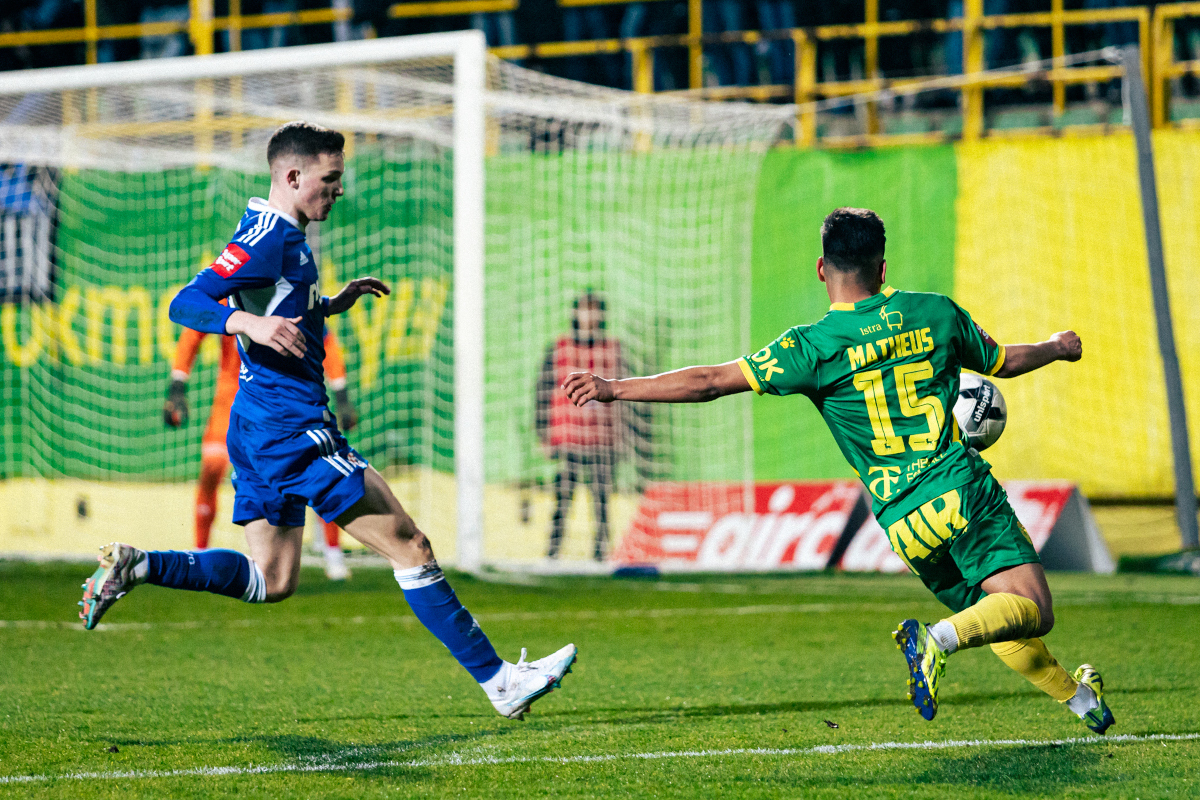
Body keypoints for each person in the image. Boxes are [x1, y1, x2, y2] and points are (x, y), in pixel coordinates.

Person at [79, 121, 576, 720]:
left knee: (272, 578)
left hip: (259, 427)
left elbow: (271, 296)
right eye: (329, 179)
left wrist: (326, 304)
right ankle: (501, 682)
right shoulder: (267, 236)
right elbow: (186, 301)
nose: (338, 191)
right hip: (293, 429)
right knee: (410, 546)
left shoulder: (286, 234)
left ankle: (140, 564)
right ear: (293, 177)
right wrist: (249, 326)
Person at [562, 207, 1113, 735]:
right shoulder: (934, 313)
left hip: (903, 523)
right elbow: (1007, 363)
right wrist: (1057, 346)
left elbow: (708, 382)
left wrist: (614, 389)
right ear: (882, 267)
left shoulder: (811, 347)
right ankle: (937, 642)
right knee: (1033, 610)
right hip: (958, 487)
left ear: (823, 268)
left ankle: (1080, 698)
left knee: (996, 611)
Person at [163, 321, 357, 580]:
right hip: (232, 397)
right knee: (212, 465)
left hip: (282, 402)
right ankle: (200, 553)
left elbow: (326, 341)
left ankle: (333, 553)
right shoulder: (231, 290)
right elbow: (193, 332)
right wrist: (178, 383)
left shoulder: (291, 296)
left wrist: (341, 394)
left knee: (318, 469)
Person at [536, 292, 623, 561]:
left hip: (601, 437)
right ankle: (553, 552)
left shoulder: (613, 348)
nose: (590, 316)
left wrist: (624, 434)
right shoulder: (559, 347)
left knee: (601, 500)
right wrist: (542, 432)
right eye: (585, 310)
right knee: (562, 498)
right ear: (576, 314)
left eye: (595, 311)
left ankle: (600, 554)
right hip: (568, 437)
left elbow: (626, 393)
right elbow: (541, 390)